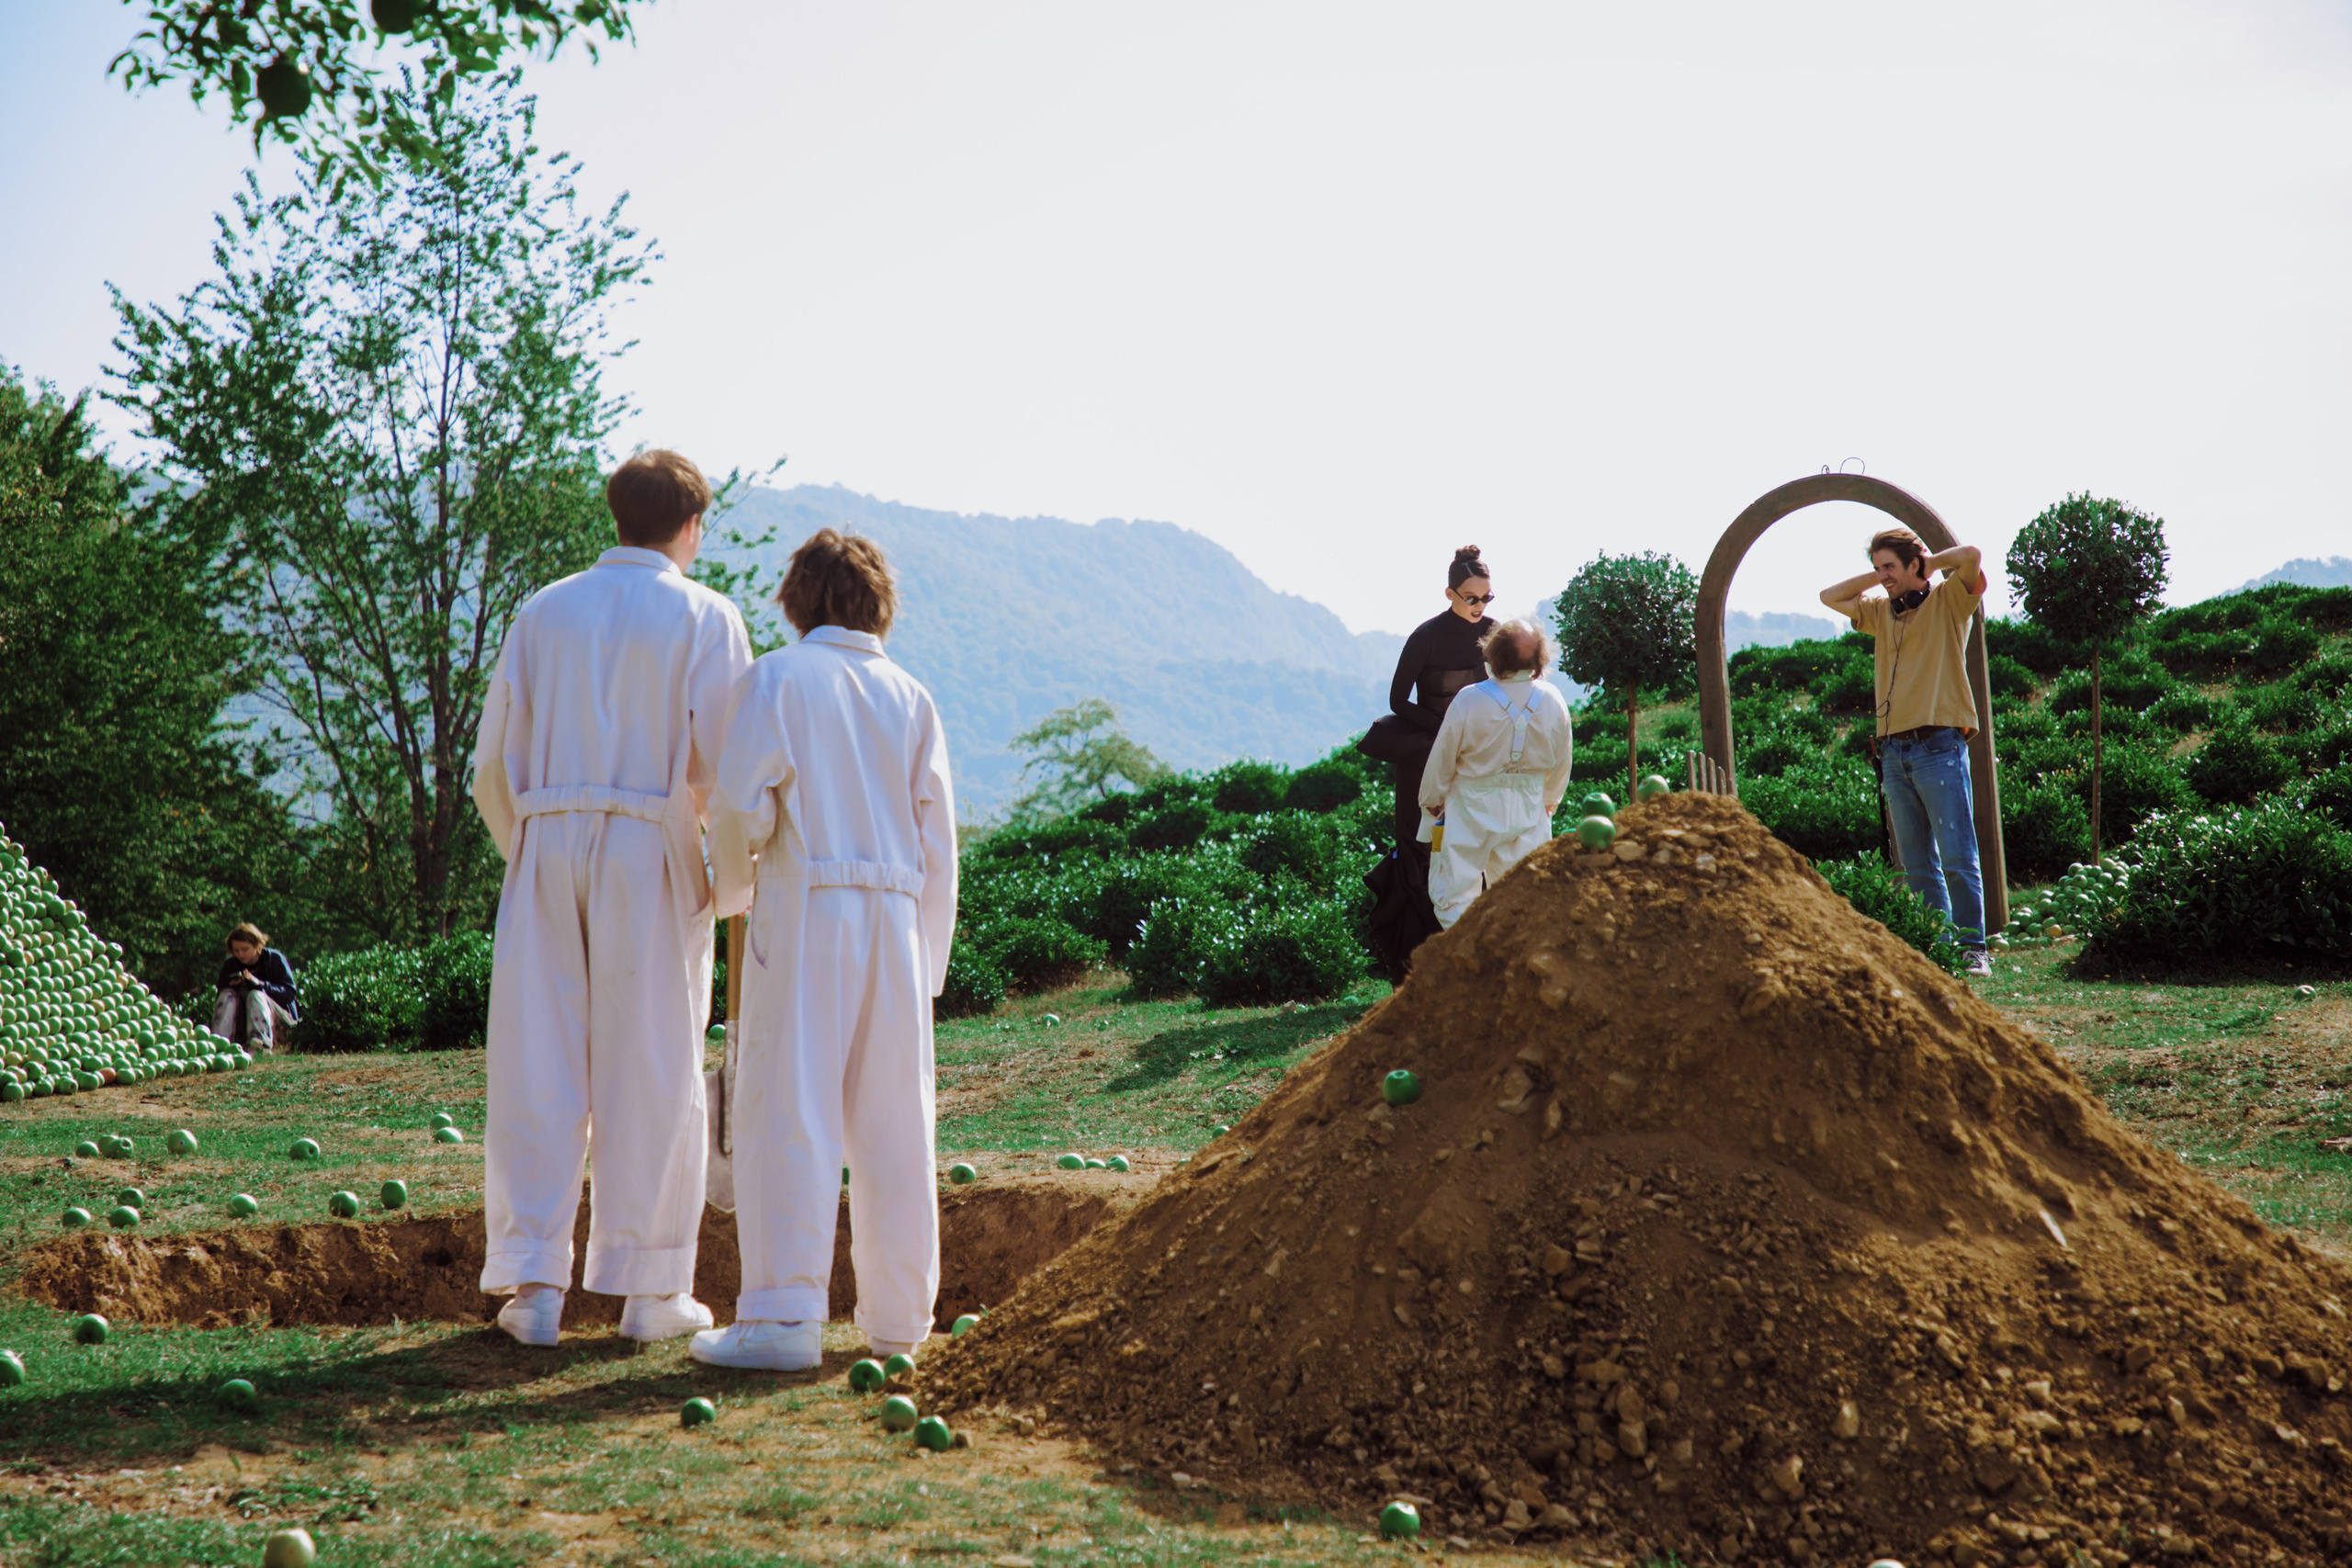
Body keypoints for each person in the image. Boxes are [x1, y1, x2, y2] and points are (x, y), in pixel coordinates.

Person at [469, 449, 753, 1347]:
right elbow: (727, 771)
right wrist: (730, 883)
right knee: (654, 1065)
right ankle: (651, 1289)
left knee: (536, 1062)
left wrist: (530, 849)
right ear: (691, 526)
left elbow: (490, 767)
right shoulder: (706, 615)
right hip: (648, 844)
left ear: (617, 515)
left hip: (545, 841)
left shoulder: (542, 610)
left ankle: (533, 1289)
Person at [690, 528, 958, 1372]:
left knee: (790, 1106)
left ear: (799, 600)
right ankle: (899, 1318)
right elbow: (939, 838)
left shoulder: (777, 678)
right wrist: (927, 959)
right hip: (896, 919)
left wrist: (736, 889)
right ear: (879, 603)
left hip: (806, 906)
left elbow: (740, 807)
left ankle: (783, 1315)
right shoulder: (912, 695)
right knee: (896, 1120)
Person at [1819, 525, 1993, 976]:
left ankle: (1973, 949)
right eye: (1877, 568)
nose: (1883, 576)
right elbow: (1829, 596)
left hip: (1939, 746)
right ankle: (1939, 950)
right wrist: (1885, 578)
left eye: (1889, 567)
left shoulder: (1950, 601)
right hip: (1894, 753)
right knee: (1916, 864)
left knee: (1957, 857)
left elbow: (1971, 554)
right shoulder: (1881, 611)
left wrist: (1925, 565)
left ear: (1915, 565)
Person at [1359, 546, 1498, 975]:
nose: (1480, 605)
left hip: (1477, 757)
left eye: (1487, 597)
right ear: (1450, 594)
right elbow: (1397, 700)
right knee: (1420, 848)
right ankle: (1413, 964)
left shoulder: (1496, 634)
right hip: (1425, 756)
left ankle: (1473, 958)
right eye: (1471, 597)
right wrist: (1445, 729)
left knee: (1475, 846)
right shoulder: (1426, 637)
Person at [1419, 620, 1575, 928]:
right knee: (1524, 895)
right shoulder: (1553, 698)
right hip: (1529, 806)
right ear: (1540, 659)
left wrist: (1432, 799)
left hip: (1472, 806)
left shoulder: (1470, 699)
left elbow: (1443, 756)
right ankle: (1514, 953)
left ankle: (1467, 951)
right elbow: (1562, 758)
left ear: (1493, 654)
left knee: (1457, 894)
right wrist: (1550, 798)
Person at [211, 922, 299, 1053]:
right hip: (244, 1023)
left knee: (255, 995)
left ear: (257, 945)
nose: (240, 954)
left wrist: (260, 985)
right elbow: (221, 1001)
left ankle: (260, 1046)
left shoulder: (274, 959)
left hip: (280, 1023)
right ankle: (219, 1043)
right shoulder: (230, 966)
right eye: (236, 951)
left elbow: (289, 994)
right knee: (227, 995)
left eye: (245, 949)